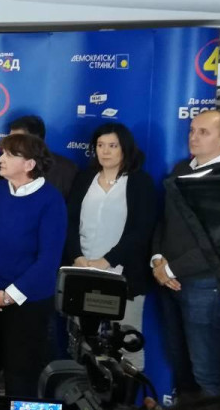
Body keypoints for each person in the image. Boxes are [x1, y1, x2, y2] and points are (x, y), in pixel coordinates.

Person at [0, 134, 67, 410]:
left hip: (27, 307)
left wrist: (8, 296)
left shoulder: (51, 201)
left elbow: (47, 262)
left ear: (29, 164)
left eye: (9, 155)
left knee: (21, 377)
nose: (0, 159)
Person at [152, 110, 220, 397]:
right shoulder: (181, 170)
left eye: (203, 132)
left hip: (206, 287)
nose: (193, 137)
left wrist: (170, 269)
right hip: (169, 283)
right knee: (181, 365)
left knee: (207, 372)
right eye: (192, 130)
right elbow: (164, 220)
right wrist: (157, 259)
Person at [63, 122, 155, 369]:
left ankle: (126, 393)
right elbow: (70, 221)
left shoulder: (140, 182)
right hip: (83, 270)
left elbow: (142, 230)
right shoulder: (85, 178)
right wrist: (77, 256)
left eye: (112, 146)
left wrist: (108, 260)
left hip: (122, 274)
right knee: (83, 342)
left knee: (128, 343)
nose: (105, 151)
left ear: (125, 148)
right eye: (100, 145)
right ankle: (83, 392)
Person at [9, 115, 77, 199]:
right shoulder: (6, 166)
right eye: (10, 140)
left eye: (16, 140)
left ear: (36, 141)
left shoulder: (66, 169)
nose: (10, 145)